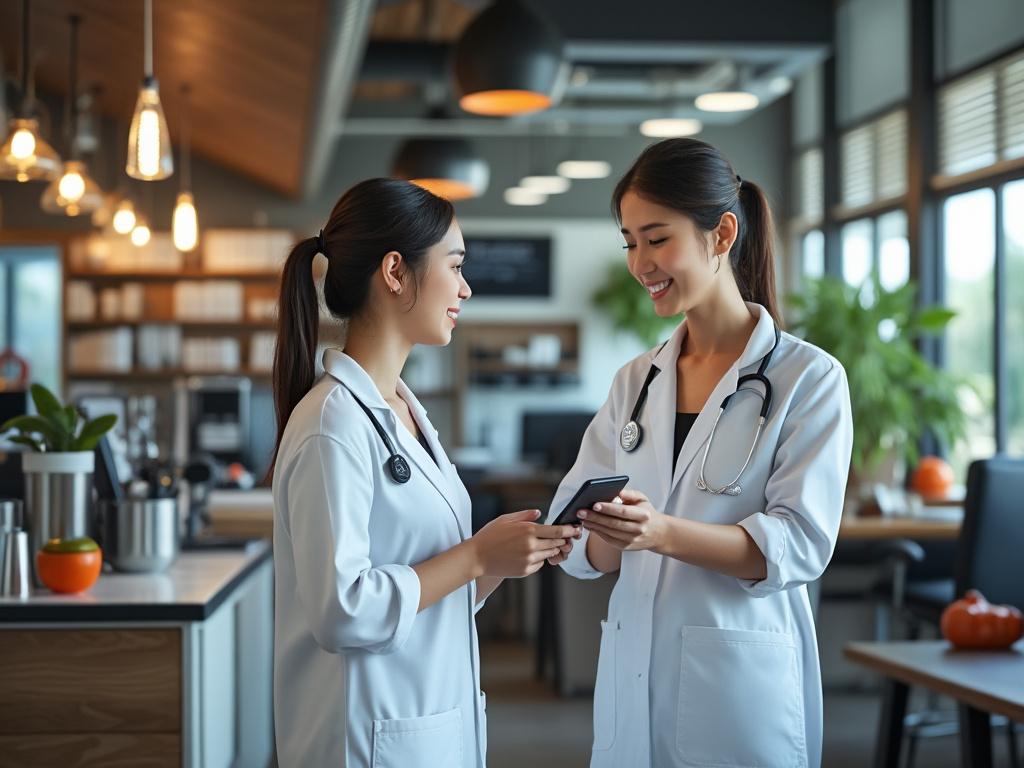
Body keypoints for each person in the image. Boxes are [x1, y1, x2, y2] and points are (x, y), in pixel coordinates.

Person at [551, 139, 853, 767]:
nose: (640, 263)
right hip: (633, 680)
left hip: (738, 691)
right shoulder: (636, 382)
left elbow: (798, 545)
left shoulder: (808, 378)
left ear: (721, 234)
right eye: (629, 241)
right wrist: (609, 530)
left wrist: (657, 531)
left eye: (656, 239)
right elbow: (583, 547)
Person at [271, 178, 578, 767]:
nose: (466, 287)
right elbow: (343, 611)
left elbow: (429, 596)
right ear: (395, 272)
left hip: (428, 725)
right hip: (365, 740)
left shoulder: (403, 412)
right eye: (455, 265)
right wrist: (476, 557)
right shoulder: (333, 423)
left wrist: (506, 560)